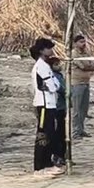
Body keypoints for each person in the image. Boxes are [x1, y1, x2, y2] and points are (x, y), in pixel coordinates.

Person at [31, 38, 64, 177]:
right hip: (43, 104)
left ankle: (47, 163)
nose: (51, 51)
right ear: (41, 50)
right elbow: (52, 86)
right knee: (43, 135)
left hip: (50, 104)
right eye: (48, 48)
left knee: (50, 134)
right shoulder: (40, 66)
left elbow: (56, 84)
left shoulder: (46, 65)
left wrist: (53, 85)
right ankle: (39, 167)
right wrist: (52, 86)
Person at [71, 34, 94, 138]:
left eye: (84, 42)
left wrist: (89, 66)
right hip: (77, 83)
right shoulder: (74, 54)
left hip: (86, 82)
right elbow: (83, 66)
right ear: (75, 43)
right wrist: (89, 66)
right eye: (81, 42)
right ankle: (76, 132)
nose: (83, 44)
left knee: (84, 109)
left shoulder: (86, 53)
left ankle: (81, 130)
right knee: (77, 109)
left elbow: (93, 66)